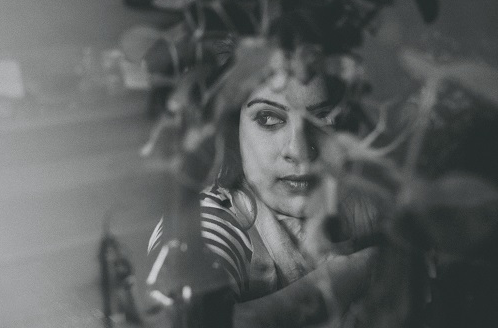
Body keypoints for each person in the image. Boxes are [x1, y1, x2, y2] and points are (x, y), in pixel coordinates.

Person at [147, 39, 383, 326]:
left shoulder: (356, 199)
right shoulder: (207, 223)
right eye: (268, 117)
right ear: (232, 129)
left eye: (322, 117)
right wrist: (354, 272)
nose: (299, 151)